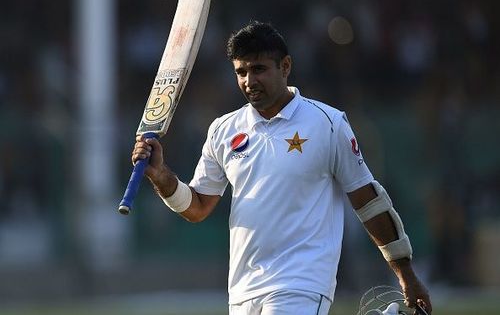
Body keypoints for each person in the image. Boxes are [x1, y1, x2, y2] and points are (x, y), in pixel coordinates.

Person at [131, 21, 432, 315]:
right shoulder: (223, 130)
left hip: (302, 282)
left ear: (285, 66)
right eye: (241, 72)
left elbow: (369, 202)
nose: (249, 81)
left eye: (259, 69)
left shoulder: (328, 123)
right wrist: (161, 177)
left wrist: (406, 273)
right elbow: (197, 207)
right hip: (243, 288)